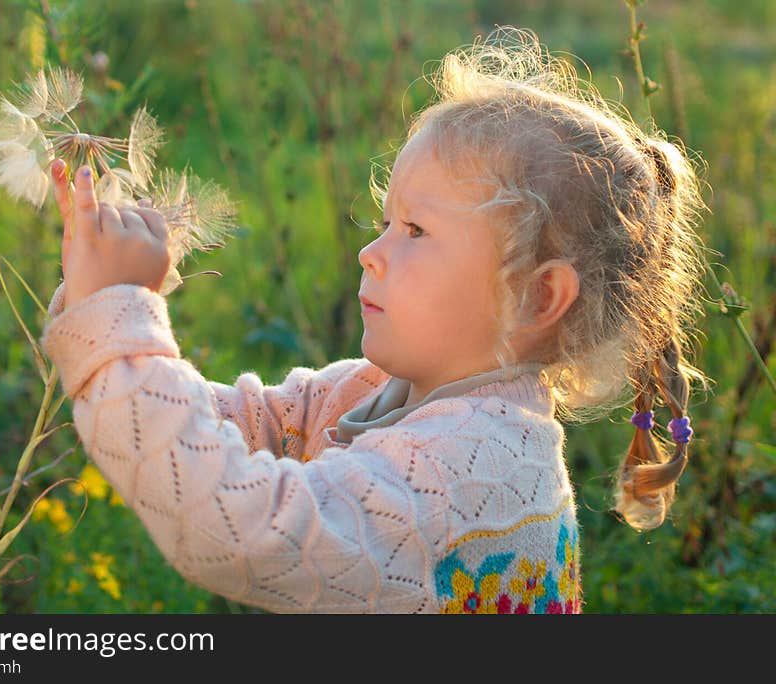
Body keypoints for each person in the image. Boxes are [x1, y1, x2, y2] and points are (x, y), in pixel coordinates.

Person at [40, 28, 710, 614]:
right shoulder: (383, 390)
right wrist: (109, 309)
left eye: (414, 230)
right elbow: (245, 428)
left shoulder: (471, 472)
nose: (371, 252)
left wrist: (120, 327)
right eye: (386, 221)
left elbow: (239, 531)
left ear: (536, 299)